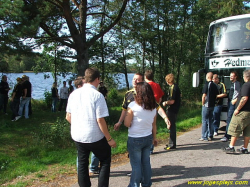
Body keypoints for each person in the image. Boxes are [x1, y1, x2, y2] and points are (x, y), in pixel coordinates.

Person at [66, 68, 116, 187]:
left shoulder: (73, 94)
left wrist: (79, 125)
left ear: (85, 78)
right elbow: (100, 120)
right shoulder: (98, 96)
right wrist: (109, 139)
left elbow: (68, 116)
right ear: (97, 79)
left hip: (78, 135)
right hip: (94, 136)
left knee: (82, 163)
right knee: (105, 159)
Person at [124, 82, 157, 187]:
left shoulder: (132, 106)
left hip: (135, 138)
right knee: (146, 163)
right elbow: (154, 125)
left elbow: (127, 123)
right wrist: (154, 138)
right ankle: (146, 184)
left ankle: (134, 185)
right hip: (148, 137)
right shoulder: (153, 107)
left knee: (136, 165)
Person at [223, 70, 250, 154]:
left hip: (243, 112)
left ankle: (231, 146)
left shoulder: (246, 85)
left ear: (245, 76)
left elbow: (244, 98)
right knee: (247, 131)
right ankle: (245, 148)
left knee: (235, 128)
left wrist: (238, 109)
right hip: (249, 112)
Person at [144, 70, 164, 153]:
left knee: (146, 127)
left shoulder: (145, 86)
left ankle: (146, 147)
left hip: (145, 109)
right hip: (155, 108)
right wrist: (157, 105)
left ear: (145, 77)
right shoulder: (157, 85)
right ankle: (151, 147)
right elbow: (160, 98)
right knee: (153, 125)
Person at [162, 73, 181, 150]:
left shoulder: (173, 87)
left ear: (168, 80)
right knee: (171, 125)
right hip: (175, 108)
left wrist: (165, 102)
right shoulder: (176, 86)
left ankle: (172, 144)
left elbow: (172, 101)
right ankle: (171, 142)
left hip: (172, 109)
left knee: (171, 125)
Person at [220, 71, 241, 142]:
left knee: (229, 119)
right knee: (230, 119)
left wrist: (235, 100)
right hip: (230, 103)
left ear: (236, 77)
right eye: (230, 76)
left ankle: (227, 136)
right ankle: (230, 134)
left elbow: (240, 93)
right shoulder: (232, 84)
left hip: (233, 104)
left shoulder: (237, 84)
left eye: (232, 76)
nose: (231, 77)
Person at [199, 72, 219, 141]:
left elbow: (204, 96)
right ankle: (210, 135)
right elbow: (216, 95)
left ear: (207, 77)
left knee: (204, 120)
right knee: (211, 120)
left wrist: (203, 103)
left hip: (206, 105)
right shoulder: (215, 85)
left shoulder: (206, 85)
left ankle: (204, 136)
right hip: (212, 105)